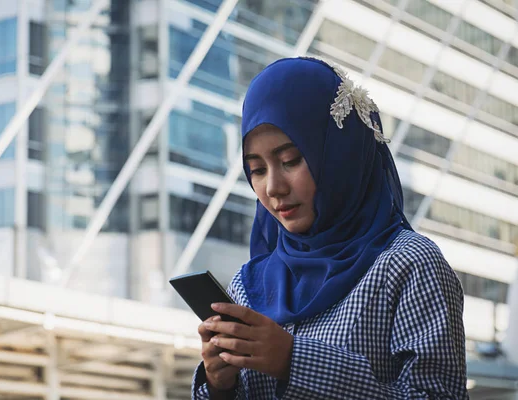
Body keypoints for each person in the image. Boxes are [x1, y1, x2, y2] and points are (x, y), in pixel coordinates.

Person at [192, 57, 468, 399]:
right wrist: (220, 386)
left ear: (340, 154)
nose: (273, 187)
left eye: (291, 160)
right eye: (257, 170)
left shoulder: (409, 265)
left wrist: (294, 361)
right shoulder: (248, 285)